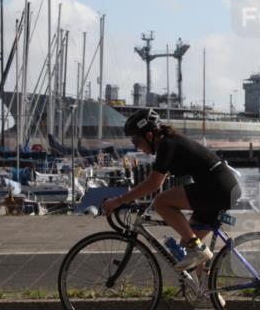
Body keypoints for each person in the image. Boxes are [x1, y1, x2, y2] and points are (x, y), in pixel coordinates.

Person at [103, 109, 241, 273]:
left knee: (161, 202)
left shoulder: (167, 145)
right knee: (186, 251)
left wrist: (119, 200)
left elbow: (154, 183)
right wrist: (136, 201)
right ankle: (202, 286)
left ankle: (197, 248)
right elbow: (157, 182)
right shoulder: (170, 143)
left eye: (136, 140)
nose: (135, 145)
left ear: (149, 135)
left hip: (218, 188)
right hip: (222, 187)